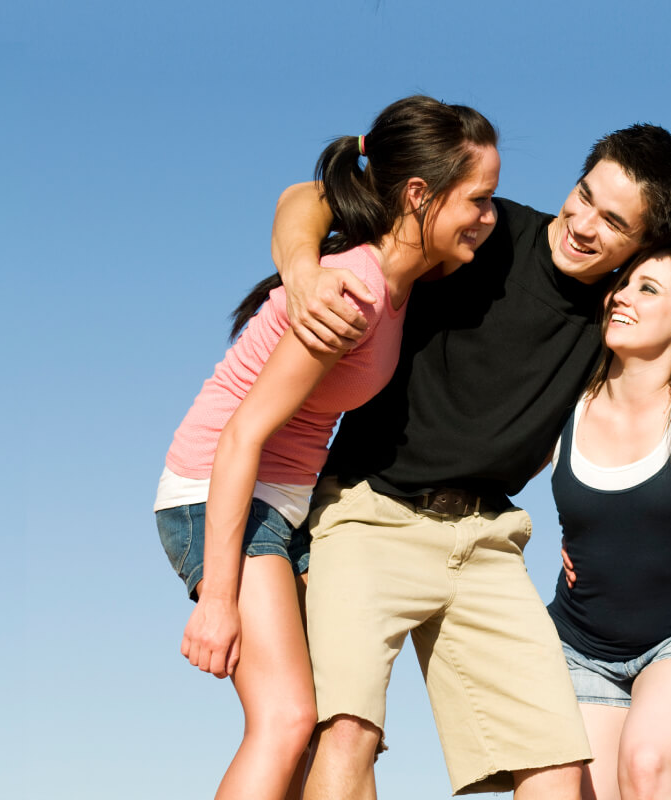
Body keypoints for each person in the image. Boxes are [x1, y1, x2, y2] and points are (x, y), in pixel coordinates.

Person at [270, 124, 671, 798]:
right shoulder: (483, 233)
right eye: (584, 195)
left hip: (486, 541)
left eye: (612, 222)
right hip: (369, 513)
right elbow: (310, 195)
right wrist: (301, 268)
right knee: (348, 731)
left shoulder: (620, 319)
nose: (582, 223)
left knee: (558, 761)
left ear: (646, 246)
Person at [153, 95, 499, 800]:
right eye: (480, 200)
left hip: (285, 506)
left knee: (343, 725)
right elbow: (243, 434)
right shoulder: (354, 295)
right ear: (417, 195)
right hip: (220, 494)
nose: (491, 218)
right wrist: (217, 598)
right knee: (285, 719)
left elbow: (305, 193)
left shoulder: (404, 279)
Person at [547, 242, 671, 800]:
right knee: (565, 788)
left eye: (648, 289)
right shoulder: (569, 394)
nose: (622, 297)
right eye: (625, 283)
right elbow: (485, 465)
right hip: (581, 642)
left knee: (647, 761)